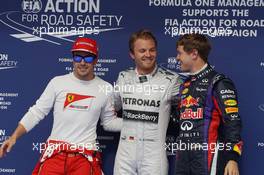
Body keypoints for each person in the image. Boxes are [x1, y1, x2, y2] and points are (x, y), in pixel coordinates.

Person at [0, 37, 122, 175]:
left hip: (84, 157)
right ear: (73, 58)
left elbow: (109, 122)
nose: (82, 63)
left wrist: (139, 122)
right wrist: (13, 137)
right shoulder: (57, 83)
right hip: (55, 154)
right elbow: (36, 112)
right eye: (78, 58)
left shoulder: (105, 88)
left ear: (95, 60)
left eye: (88, 58)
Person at [113, 29, 182, 175]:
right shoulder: (123, 77)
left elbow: (188, 109)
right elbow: (112, 109)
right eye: (142, 50)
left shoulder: (171, 80)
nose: (148, 55)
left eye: (152, 50)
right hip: (125, 153)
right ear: (132, 54)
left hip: (154, 156)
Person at [174, 33, 243, 175]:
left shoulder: (219, 82)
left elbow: (232, 121)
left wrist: (232, 158)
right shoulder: (185, 84)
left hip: (207, 158)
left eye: (180, 53)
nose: (177, 58)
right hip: (183, 158)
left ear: (193, 54)